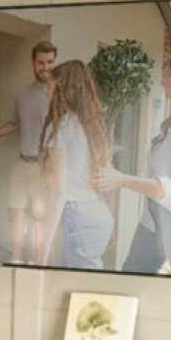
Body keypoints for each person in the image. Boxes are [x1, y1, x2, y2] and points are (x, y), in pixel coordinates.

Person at [105, 47, 171, 275]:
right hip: (150, 222)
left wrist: (122, 180)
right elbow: (155, 175)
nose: (162, 80)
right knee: (130, 276)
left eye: (169, 75)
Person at [0, 40, 58, 264]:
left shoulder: (57, 95)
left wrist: (53, 168)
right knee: (15, 214)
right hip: (22, 163)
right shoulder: (23, 93)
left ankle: (41, 263)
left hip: (44, 166)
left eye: (50, 62)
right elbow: (17, 123)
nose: (46, 67)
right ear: (33, 63)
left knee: (41, 219)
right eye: (41, 62)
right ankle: (17, 259)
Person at [38, 60, 117, 270]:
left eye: (50, 87)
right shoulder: (92, 125)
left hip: (78, 219)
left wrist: (43, 251)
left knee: (81, 285)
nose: (46, 92)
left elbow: (59, 193)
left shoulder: (60, 128)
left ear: (63, 90)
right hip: (99, 213)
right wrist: (112, 224)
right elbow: (108, 181)